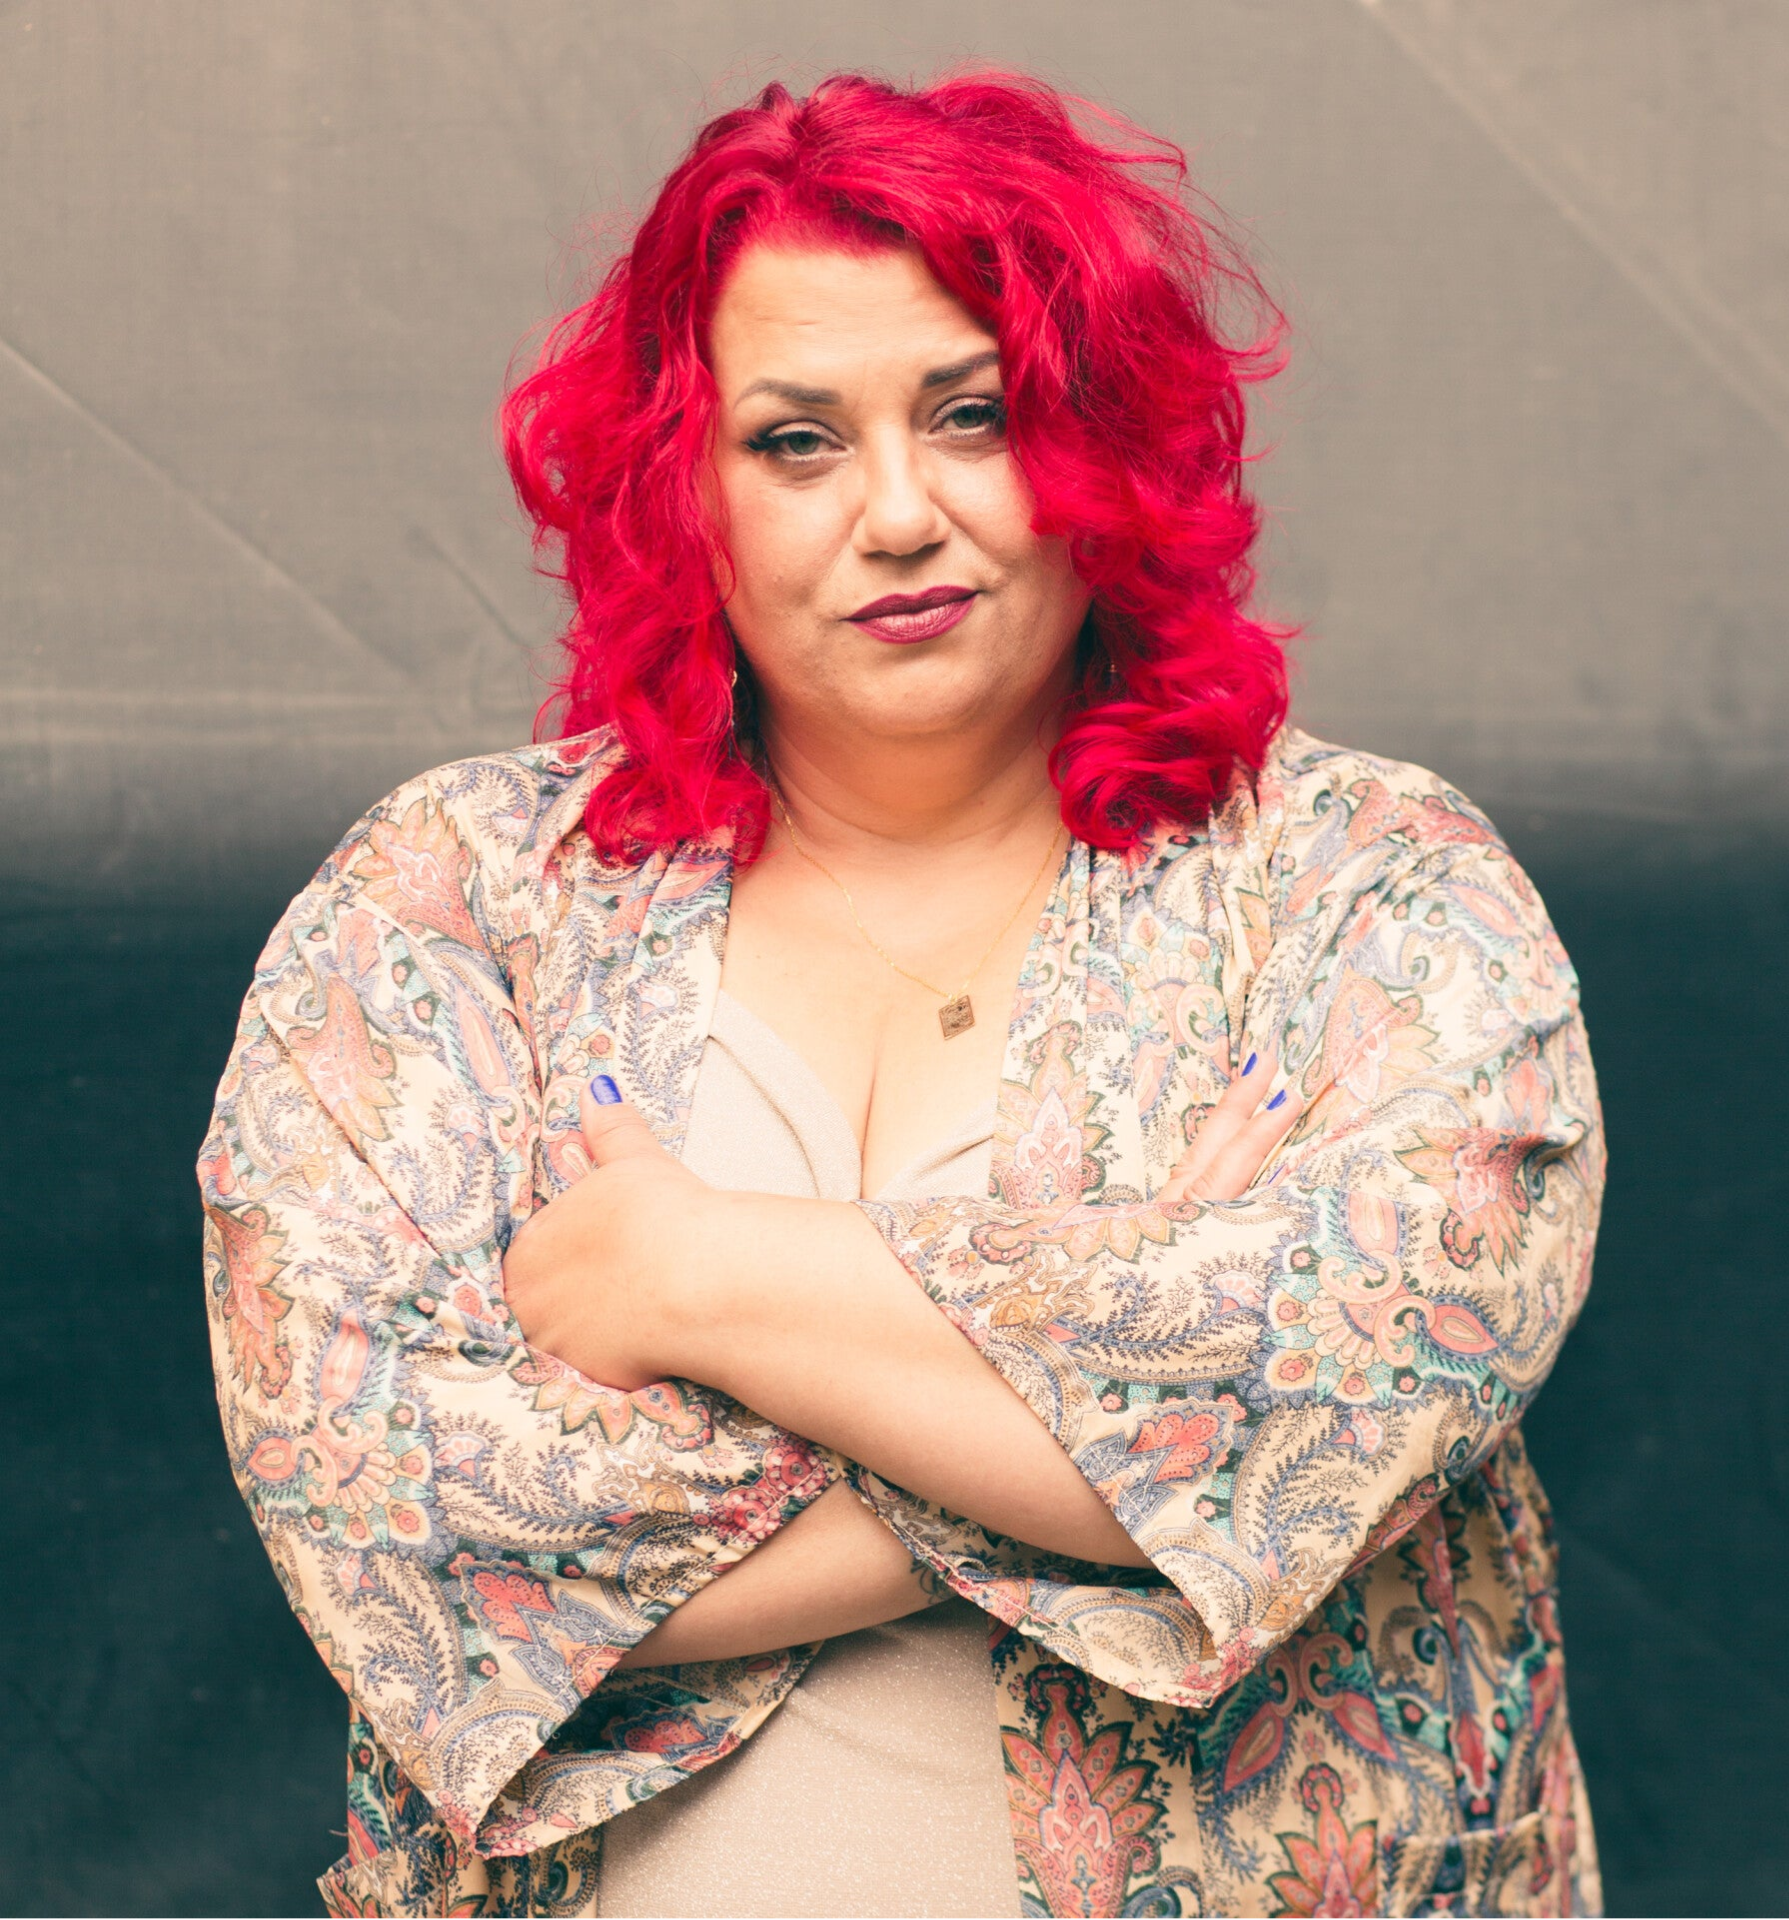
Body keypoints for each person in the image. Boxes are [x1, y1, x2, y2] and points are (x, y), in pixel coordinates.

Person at [201, 69, 1604, 1920]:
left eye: (974, 414)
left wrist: (685, 1277)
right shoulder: (452, 907)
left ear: (1101, 440)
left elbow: (1349, 1403)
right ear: (685, 491)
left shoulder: (1373, 891)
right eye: (796, 441)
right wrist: (1123, 1345)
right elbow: (396, 1534)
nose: (897, 513)